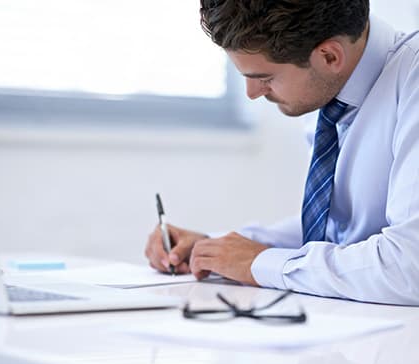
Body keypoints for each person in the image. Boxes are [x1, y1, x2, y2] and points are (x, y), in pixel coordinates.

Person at [144, 0, 419, 305]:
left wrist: (260, 262)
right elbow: (342, 227)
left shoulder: (411, 80)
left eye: (265, 78)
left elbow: (409, 267)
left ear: (329, 56)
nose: (251, 93)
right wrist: (218, 250)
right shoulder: (325, 89)